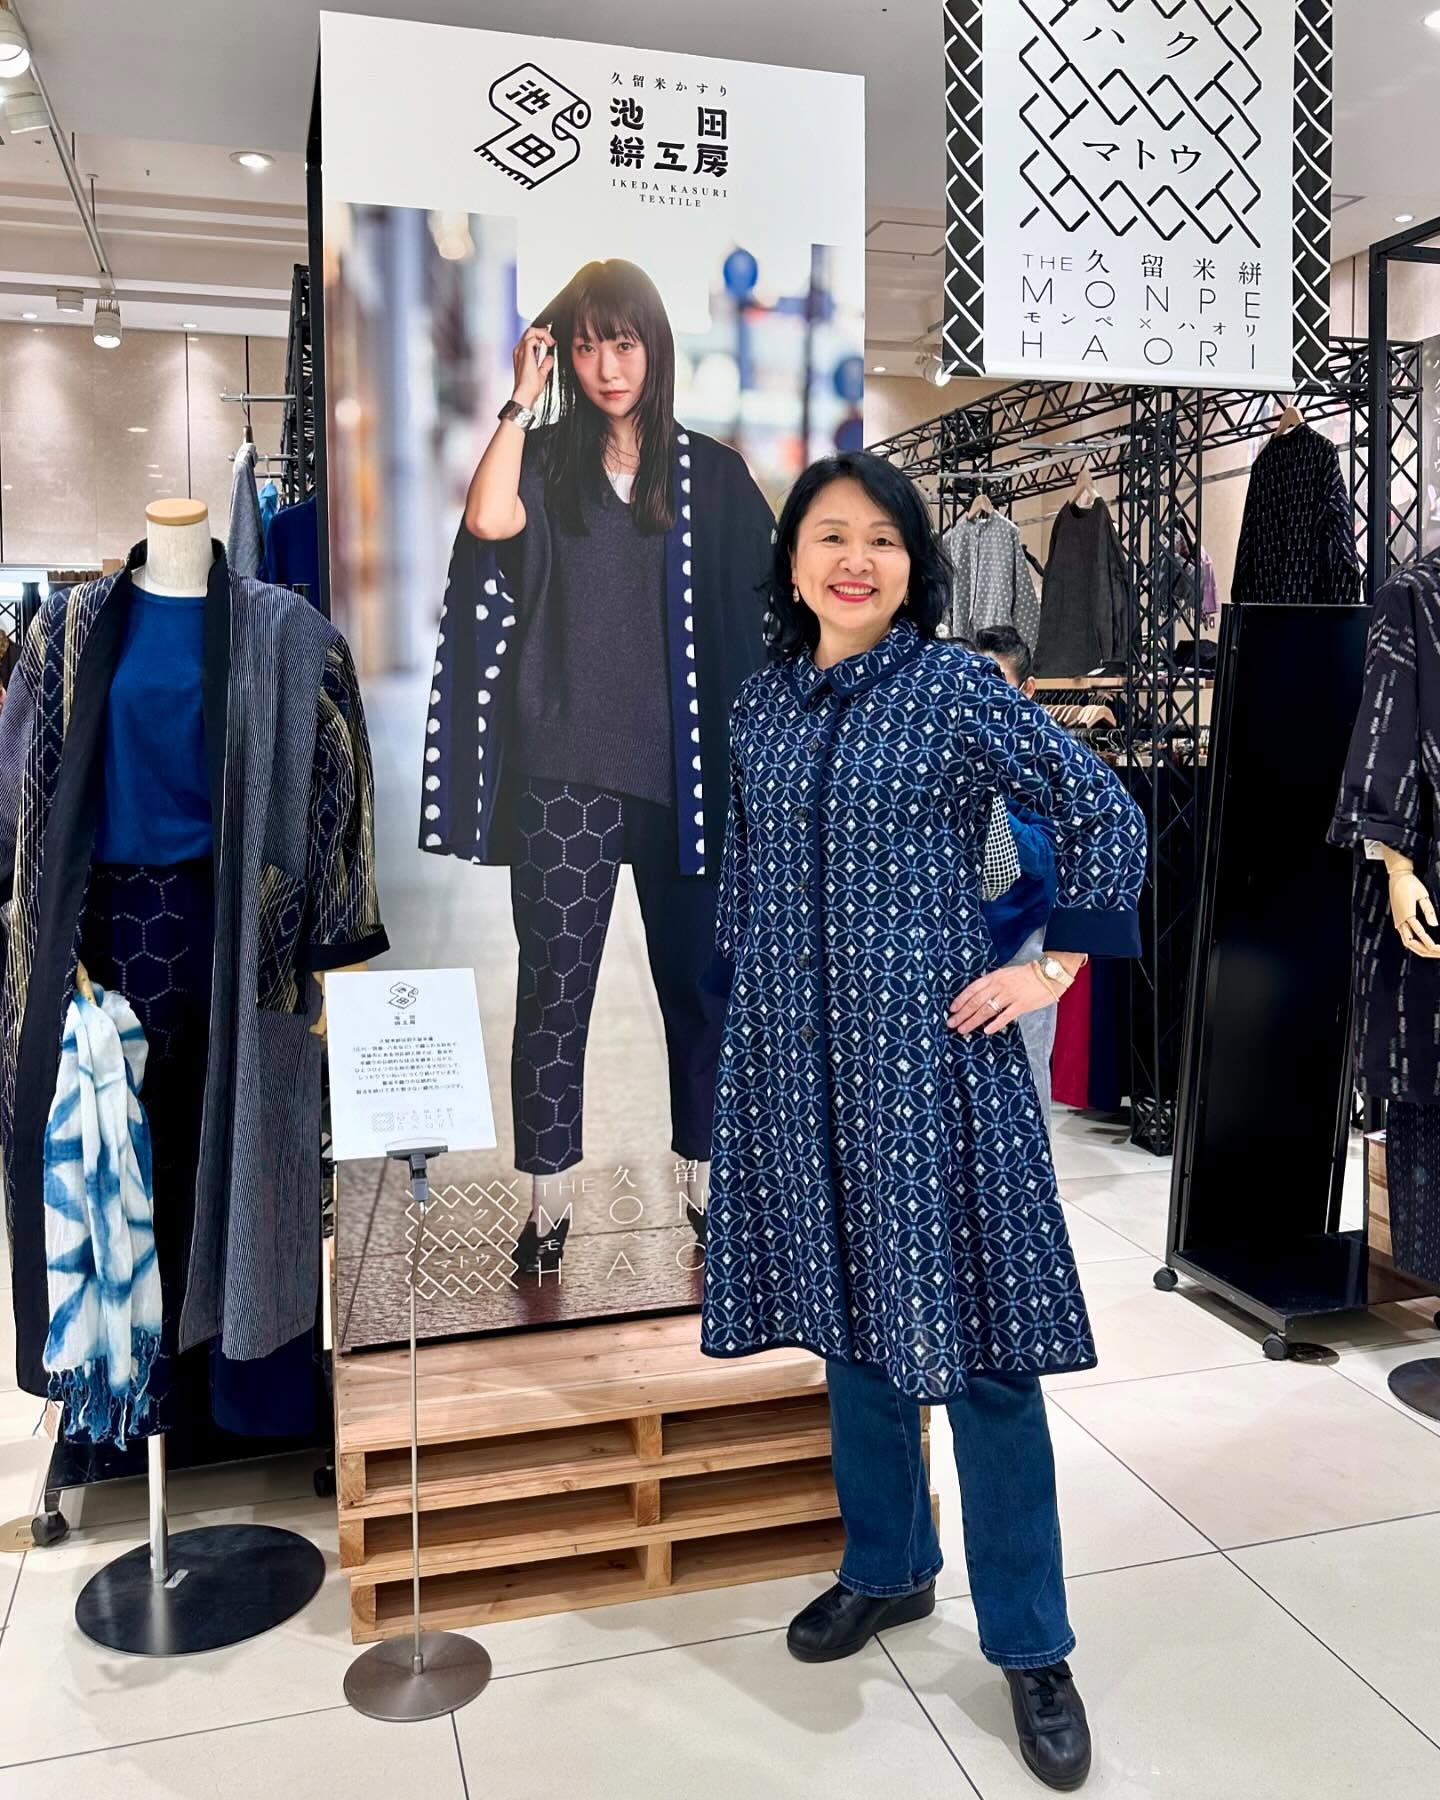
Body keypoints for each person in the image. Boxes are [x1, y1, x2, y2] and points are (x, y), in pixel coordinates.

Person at [701, 453, 1145, 1791]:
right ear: (793, 564)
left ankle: (1032, 1645)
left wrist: (1051, 968)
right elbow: (745, 875)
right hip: (801, 1076)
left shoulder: (954, 688)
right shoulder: (760, 706)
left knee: (991, 1361)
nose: (857, 560)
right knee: (851, 1331)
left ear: (914, 566)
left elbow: (1104, 808)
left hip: (935, 1073)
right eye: (831, 537)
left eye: (884, 540)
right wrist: (752, 1026)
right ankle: (888, 1567)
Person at [423, 259, 774, 1271]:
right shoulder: (543, 459)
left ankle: (704, 1179)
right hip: (564, 774)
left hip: (687, 780)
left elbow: (768, 613)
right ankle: (548, 1200)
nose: (607, 366)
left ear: (654, 348)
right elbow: (486, 522)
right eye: (585, 346)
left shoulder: (712, 475)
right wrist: (518, 399)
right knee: (554, 990)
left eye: (623, 343)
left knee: (701, 988)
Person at [973, 624, 1061, 1128]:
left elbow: (1051, 855)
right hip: (957, 938)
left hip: (1023, 938)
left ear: (1026, 690)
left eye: (997, 686)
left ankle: (1037, 1171)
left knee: (1026, 1072)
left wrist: (992, 809)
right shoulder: (951, 747)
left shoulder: (1046, 760)